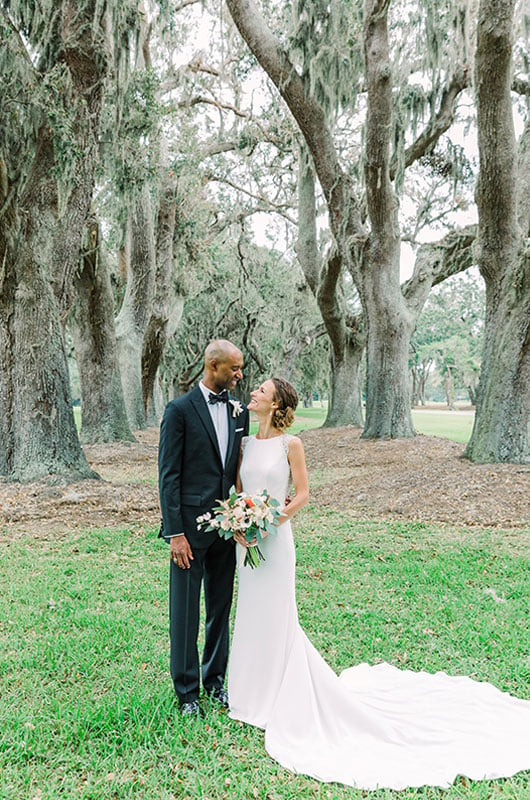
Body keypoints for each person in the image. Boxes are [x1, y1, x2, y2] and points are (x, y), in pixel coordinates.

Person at [227, 377, 530, 791]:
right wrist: (241, 521)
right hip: (247, 544)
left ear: (277, 402)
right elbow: (241, 489)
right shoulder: (244, 442)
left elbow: (302, 495)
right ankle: (247, 694)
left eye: (262, 390)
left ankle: (278, 694)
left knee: (277, 615)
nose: (255, 393)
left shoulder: (290, 445)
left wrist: (268, 522)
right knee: (249, 614)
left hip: (276, 542)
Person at [158, 339, 249, 717]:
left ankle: (214, 682)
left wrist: (244, 513)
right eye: (234, 368)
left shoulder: (238, 411)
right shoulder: (179, 410)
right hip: (189, 532)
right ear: (213, 366)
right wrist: (174, 532)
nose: (239, 374)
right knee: (184, 612)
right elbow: (168, 476)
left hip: (226, 529)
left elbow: (238, 470)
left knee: (219, 608)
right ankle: (187, 693)